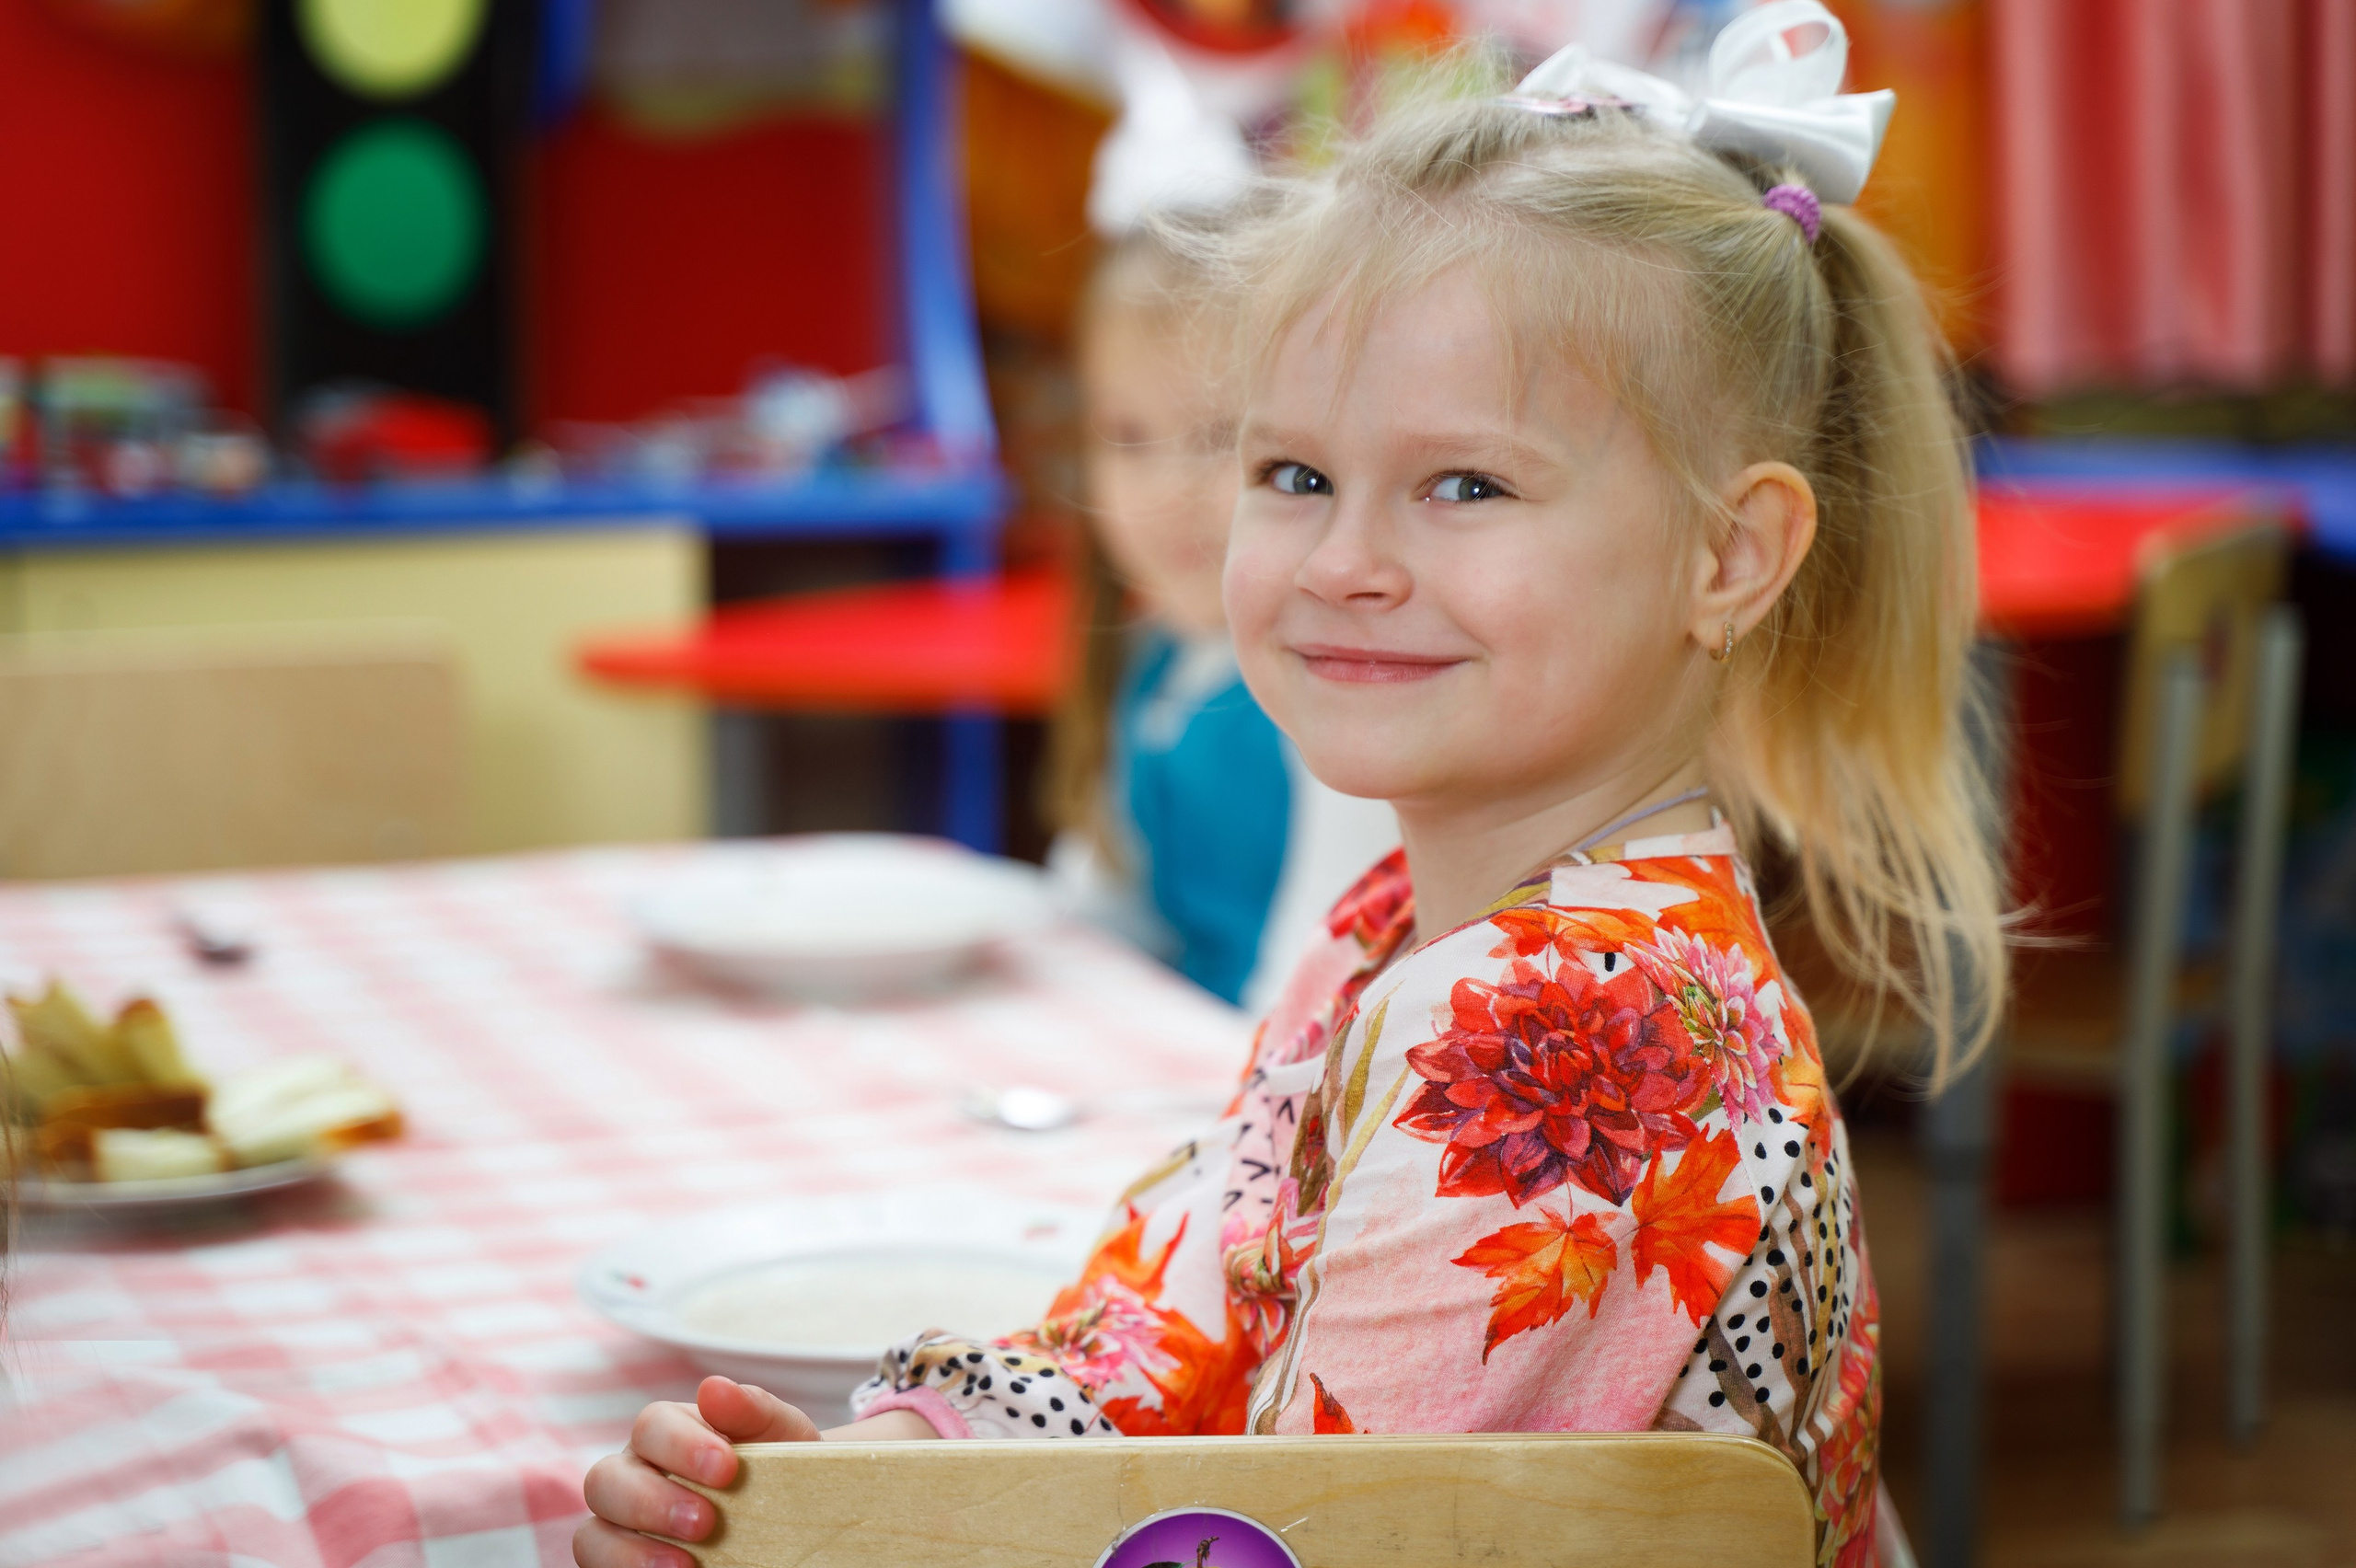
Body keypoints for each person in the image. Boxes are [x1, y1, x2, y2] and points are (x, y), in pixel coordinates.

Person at [577, 8, 2004, 1564]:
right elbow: (1178, 1298)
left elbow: (1291, 1538)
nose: (1344, 562)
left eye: (1467, 484)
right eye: (1294, 474)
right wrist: (881, 1479)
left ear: (1726, 555)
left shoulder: (1570, 1027)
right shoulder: (1411, 926)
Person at [1046, 41, 1400, 1013]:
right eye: (1126, 439)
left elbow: (1317, 979)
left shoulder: (1332, 686)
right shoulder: (1155, 653)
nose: (1167, 490)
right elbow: (1104, 906)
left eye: (1217, 440)